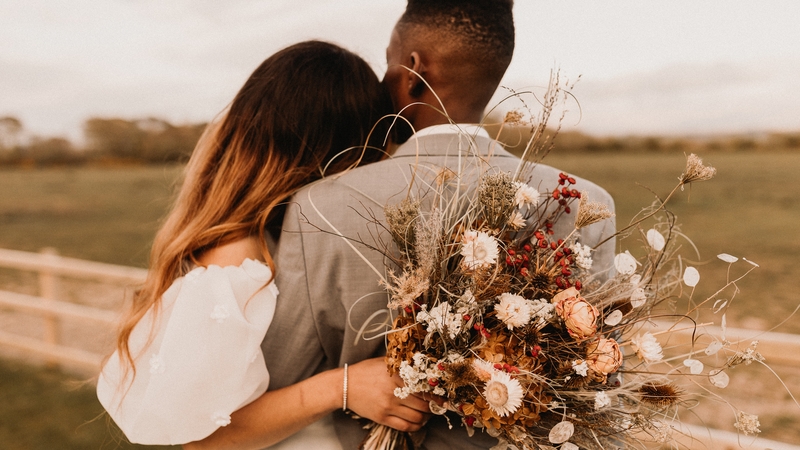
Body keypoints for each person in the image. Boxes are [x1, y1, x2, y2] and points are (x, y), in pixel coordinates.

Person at [260, 1, 618, 449]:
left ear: (412, 71)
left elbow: (276, 385)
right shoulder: (587, 204)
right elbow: (599, 376)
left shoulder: (321, 204)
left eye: (387, 62)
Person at [96, 40, 411, 447]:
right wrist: (341, 387)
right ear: (341, 149)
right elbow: (202, 441)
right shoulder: (237, 256)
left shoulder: (275, 237)